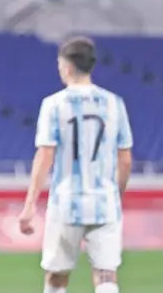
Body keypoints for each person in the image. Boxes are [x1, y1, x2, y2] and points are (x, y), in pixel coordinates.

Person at [17, 36, 133, 293]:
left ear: (67, 66)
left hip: (66, 202)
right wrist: (116, 195)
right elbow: (124, 158)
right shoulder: (115, 104)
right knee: (106, 275)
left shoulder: (54, 104)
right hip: (104, 202)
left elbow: (45, 156)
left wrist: (29, 206)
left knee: (57, 276)